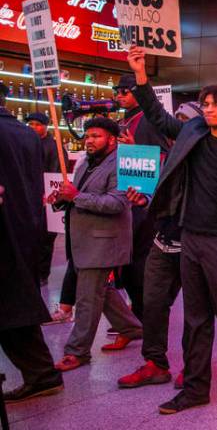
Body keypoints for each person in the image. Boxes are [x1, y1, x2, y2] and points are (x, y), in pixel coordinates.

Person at [127, 46, 217, 414]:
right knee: (195, 317)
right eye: (205, 104)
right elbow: (159, 119)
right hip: (189, 237)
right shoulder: (193, 132)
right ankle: (196, 389)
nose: (207, 109)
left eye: (214, 104)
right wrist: (141, 76)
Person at [117, 106, 204, 391]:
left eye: (184, 124)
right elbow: (155, 194)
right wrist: (144, 199)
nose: (176, 130)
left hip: (194, 246)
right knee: (152, 303)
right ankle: (155, 363)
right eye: (175, 124)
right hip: (163, 242)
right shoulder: (166, 157)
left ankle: (194, 367)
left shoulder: (208, 160)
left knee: (196, 311)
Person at [49, 117, 143, 372]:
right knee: (103, 291)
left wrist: (77, 196)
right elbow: (76, 196)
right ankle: (132, 328)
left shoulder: (123, 164)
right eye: (87, 136)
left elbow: (117, 203)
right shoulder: (85, 163)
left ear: (111, 139)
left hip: (103, 241)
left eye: (96, 136)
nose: (89, 141)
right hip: (82, 240)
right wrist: (60, 199)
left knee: (88, 297)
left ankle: (77, 352)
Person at [0, 81, 64, 404]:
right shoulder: (27, 134)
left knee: (11, 305)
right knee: (14, 305)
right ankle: (42, 373)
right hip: (25, 225)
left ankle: (42, 373)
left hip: (4, 228)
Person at [114, 73, 172, 323]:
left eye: (124, 91)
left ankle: (143, 316)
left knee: (137, 263)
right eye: (117, 91)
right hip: (128, 199)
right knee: (126, 263)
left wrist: (134, 146)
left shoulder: (148, 120)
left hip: (145, 204)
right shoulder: (126, 119)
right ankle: (137, 314)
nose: (119, 95)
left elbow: (164, 156)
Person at [25, 111, 66, 286]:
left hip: (46, 200)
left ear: (46, 126)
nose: (33, 127)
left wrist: (48, 194)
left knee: (45, 239)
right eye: (30, 124)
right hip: (29, 197)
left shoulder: (54, 147)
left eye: (37, 124)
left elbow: (56, 174)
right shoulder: (26, 143)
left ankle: (42, 274)